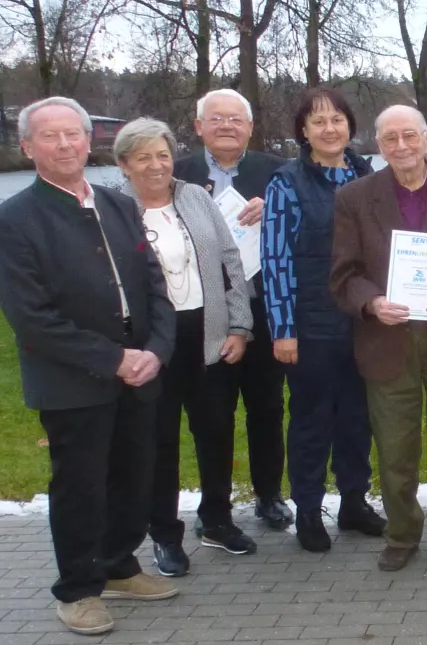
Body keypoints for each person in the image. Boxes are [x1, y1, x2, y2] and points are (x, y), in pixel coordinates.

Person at [0, 97, 179, 635]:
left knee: (132, 478)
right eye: (51, 136)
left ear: (89, 139)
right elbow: (32, 320)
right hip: (74, 381)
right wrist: (114, 358)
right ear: (28, 147)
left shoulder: (119, 206)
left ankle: (118, 565)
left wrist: (156, 352)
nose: (66, 144)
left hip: (139, 372)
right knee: (81, 488)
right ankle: (77, 589)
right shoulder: (12, 221)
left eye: (74, 133)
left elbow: (154, 288)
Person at [330, 106, 427, 571]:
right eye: (390, 138)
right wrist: (373, 302)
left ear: (426, 136)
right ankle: (401, 533)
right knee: (396, 447)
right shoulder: (355, 198)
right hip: (387, 337)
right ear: (378, 145)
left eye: (409, 136)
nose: (401, 146)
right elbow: (343, 273)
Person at [114, 119, 257, 578]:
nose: (156, 165)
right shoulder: (113, 209)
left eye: (162, 155)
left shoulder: (195, 196)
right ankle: (165, 535)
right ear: (123, 165)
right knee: (159, 441)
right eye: (143, 158)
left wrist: (240, 326)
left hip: (209, 331)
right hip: (151, 341)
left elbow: (230, 261)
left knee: (215, 431)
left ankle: (216, 520)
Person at [262, 86, 385, 552]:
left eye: (337, 119)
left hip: (363, 321)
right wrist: (283, 329)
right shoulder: (287, 182)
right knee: (312, 420)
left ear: (351, 126)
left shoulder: (366, 173)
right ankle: (310, 511)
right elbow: (275, 259)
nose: (330, 128)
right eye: (318, 121)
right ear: (303, 131)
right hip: (311, 324)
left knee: (358, 418)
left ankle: (354, 501)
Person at [175, 89, 295, 530]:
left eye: (236, 119)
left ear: (250, 126)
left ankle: (269, 495)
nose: (227, 126)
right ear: (199, 125)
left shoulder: (277, 172)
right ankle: (215, 508)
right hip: (203, 312)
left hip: (263, 307)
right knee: (210, 414)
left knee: (266, 408)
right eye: (217, 118)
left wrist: (277, 209)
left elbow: (304, 231)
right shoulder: (176, 173)